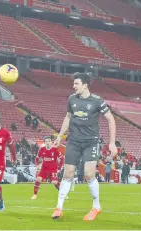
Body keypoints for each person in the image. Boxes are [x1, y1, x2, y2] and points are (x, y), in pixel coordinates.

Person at [51, 73, 117, 221]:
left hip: (90, 142)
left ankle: (96, 206)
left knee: (89, 174)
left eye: (76, 84)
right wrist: (59, 136)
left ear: (85, 85)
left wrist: (112, 142)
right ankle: (58, 208)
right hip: (73, 141)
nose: (73, 86)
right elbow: (68, 117)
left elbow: (111, 120)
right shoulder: (72, 99)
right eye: (73, 84)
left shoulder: (97, 101)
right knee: (67, 173)